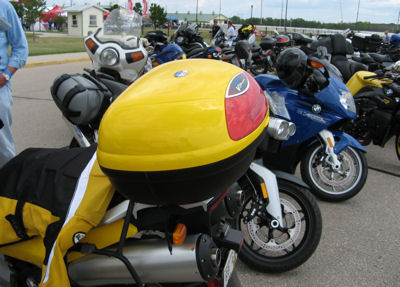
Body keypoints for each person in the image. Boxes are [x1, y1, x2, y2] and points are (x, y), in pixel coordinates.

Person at [0, 0, 29, 168]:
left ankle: (8, 186)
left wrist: (6, 75)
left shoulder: (4, 7)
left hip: (0, 87)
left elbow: (20, 46)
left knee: (2, 147)